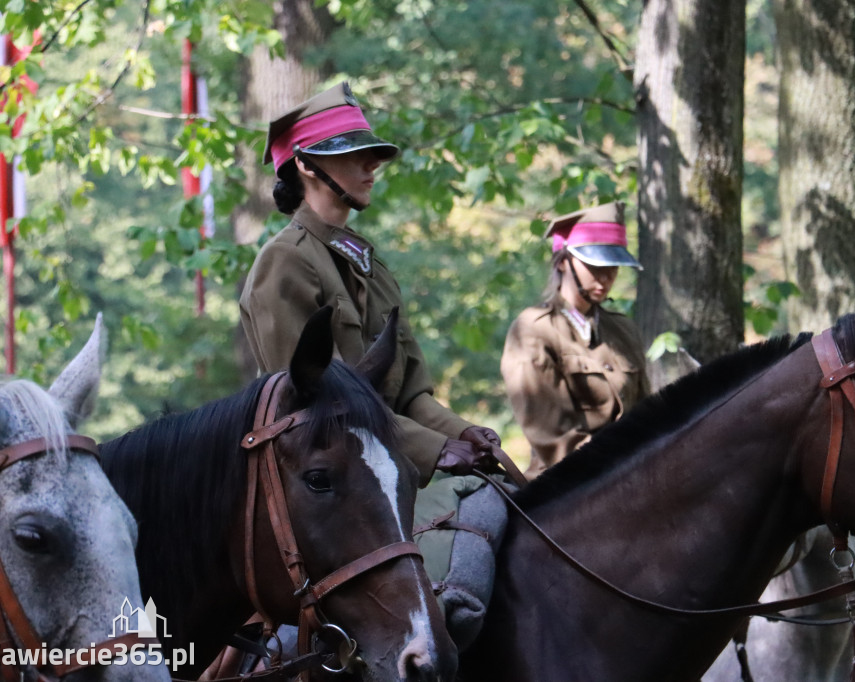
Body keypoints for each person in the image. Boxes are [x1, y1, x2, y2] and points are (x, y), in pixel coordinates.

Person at [239, 81, 503, 483]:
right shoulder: (285, 260)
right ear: (307, 165)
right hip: (323, 484)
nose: (372, 166)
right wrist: (434, 448)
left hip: (386, 468)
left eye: (372, 155)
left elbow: (412, 395)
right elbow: (320, 402)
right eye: (353, 154)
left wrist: (461, 432)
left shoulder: (369, 265)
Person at [501, 201, 651, 479]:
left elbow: (647, 414)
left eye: (614, 266)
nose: (606, 277)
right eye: (595, 265)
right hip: (566, 485)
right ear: (563, 262)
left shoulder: (624, 330)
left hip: (636, 474)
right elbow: (550, 437)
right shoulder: (532, 331)